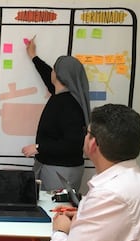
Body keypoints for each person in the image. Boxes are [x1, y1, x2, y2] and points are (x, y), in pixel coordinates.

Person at [49, 104, 140, 241]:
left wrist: (60, 230)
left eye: (86, 132)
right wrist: (85, 216)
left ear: (93, 143)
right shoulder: (137, 178)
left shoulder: (110, 195)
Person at [21, 37, 91, 191]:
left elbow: (73, 144)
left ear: (60, 76)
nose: (51, 71)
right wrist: (33, 56)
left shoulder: (69, 105)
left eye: (54, 69)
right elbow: (48, 76)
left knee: (58, 211)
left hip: (61, 171)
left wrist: (39, 147)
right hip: (53, 167)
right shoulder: (62, 94)